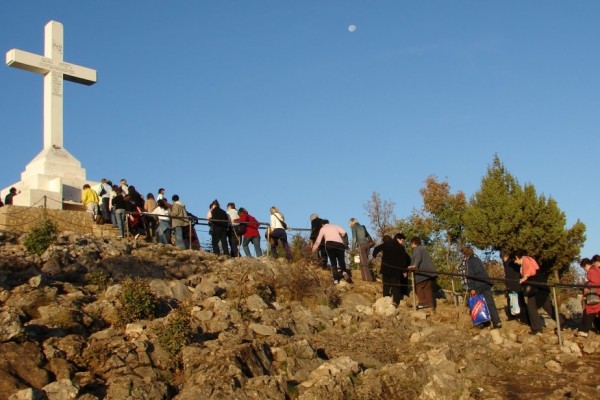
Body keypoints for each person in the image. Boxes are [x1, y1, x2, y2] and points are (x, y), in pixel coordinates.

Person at [514, 250, 558, 335]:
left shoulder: (525, 260)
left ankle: (537, 328)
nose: (515, 262)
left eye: (515, 260)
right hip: (539, 287)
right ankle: (561, 321)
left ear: (516, 257)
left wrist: (525, 277)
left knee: (532, 306)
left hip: (535, 288)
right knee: (547, 306)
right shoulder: (529, 259)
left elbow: (531, 270)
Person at [462, 246, 502, 329]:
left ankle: (481, 322)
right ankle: (497, 321)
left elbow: (471, 275)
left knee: (477, 304)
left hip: (478, 285)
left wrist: (472, 288)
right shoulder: (477, 259)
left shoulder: (469, 262)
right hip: (486, 283)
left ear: (464, 254)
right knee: (490, 303)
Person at [372, 233, 411, 305]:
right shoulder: (401, 248)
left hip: (385, 269)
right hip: (396, 271)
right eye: (402, 240)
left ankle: (385, 300)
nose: (403, 242)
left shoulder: (387, 243)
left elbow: (376, 248)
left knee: (386, 285)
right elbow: (404, 260)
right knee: (396, 286)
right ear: (398, 239)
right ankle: (395, 302)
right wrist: (404, 270)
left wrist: (374, 255)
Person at [408, 237, 438, 310]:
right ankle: (430, 305)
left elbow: (418, 257)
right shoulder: (424, 249)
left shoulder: (417, 249)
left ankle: (423, 304)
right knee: (428, 289)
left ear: (413, 243)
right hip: (429, 273)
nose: (411, 245)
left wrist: (415, 265)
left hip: (422, 273)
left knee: (419, 287)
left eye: (411, 243)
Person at [577, 257, 600, 337]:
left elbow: (596, 283)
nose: (584, 270)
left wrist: (587, 285)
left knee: (588, 312)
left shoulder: (592, 271)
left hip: (595, 296)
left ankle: (584, 330)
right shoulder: (596, 270)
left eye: (584, 268)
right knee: (596, 314)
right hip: (597, 295)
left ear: (586, 265)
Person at [502, 250, 526, 322]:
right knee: (518, 300)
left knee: (515, 300)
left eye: (503, 258)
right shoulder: (512, 263)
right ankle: (521, 317)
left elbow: (508, 275)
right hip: (516, 283)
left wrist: (507, 283)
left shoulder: (508, 263)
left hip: (513, 283)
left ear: (505, 256)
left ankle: (516, 316)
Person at [349, 218, 375, 282]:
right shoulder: (363, 226)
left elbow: (354, 238)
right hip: (367, 245)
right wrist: (371, 243)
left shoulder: (354, 227)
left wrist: (353, 249)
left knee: (363, 263)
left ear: (351, 222)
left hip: (361, 245)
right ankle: (367, 278)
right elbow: (368, 235)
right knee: (365, 261)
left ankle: (367, 279)